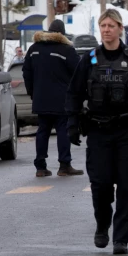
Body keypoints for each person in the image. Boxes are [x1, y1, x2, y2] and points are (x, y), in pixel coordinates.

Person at [65, 9, 128, 255]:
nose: (107, 29)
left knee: (127, 186)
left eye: (111, 25)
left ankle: (121, 238)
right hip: (99, 131)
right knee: (99, 184)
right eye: (103, 25)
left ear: (121, 28)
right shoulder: (89, 59)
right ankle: (103, 222)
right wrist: (71, 124)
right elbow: (74, 93)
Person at [23, 19, 84, 178]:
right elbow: (79, 72)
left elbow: (26, 72)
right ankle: (64, 165)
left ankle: (40, 167)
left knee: (42, 130)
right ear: (62, 34)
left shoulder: (34, 49)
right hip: (61, 99)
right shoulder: (66, 50)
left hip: (41, 98)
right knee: (62, 130)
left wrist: (33, 92)